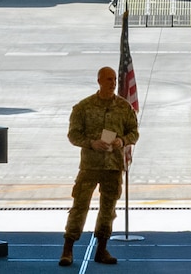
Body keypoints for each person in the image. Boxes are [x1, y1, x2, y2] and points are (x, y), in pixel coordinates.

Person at [59, 66, 139, 267]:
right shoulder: (83, 108)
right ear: (99, 81)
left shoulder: (124, 108)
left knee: (108, 210)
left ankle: (101, 249)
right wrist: (91, 143)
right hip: (90, 166)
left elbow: (134, 132)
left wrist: (122, 140)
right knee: (79, 207)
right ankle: (68, 249)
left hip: (112, 167)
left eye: (114, 80)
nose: (112, 83)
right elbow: (73, 135)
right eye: (108, 80)